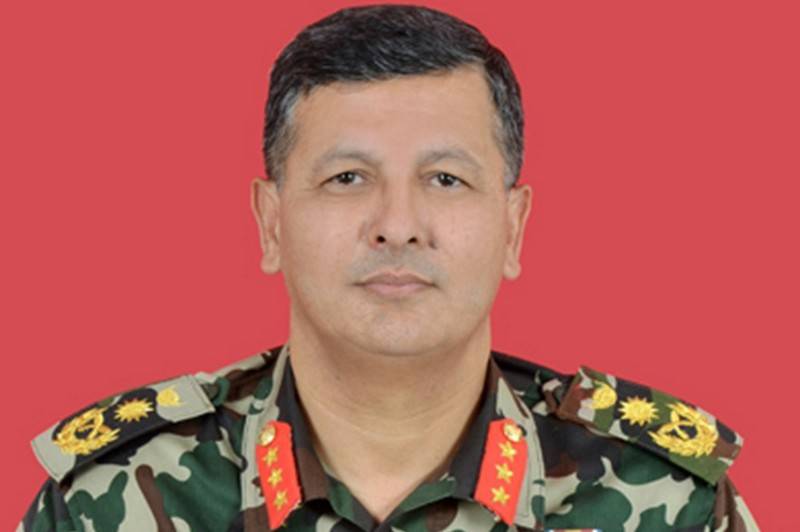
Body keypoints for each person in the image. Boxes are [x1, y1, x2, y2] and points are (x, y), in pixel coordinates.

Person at [18, 4, 759, 531]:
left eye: (446, 179)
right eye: (347, 178)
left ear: (513, 227)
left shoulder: (669, 502)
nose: (397, 225)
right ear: (271, 222)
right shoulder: (106, 501)